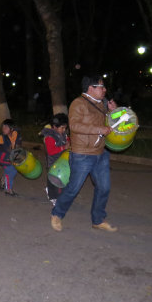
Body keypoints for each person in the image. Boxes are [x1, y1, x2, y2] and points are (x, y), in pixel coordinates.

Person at [50, 74, 118, 233]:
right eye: (101, 86)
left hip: (100, 153)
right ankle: (57, 214)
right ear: (90, 88)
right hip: (82, 155)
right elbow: (74, 126)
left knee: (104, 188)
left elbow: (105, 123)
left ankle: (98, 220)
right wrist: (98, 130)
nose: (104, 89)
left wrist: (112, 112)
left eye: (103, 86)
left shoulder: (102, 104)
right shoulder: (78, 103)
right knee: (73, 188)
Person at [39, 113, 70, 205]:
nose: (64, 130)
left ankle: (59, 196)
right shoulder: (49, 136)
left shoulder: (63, 134)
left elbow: (67, 140)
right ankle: (53, 196)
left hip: (61, 162)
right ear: (54, 127)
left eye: (65, 128)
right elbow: (51, 151)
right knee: (52, 180)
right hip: (53, 163)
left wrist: (69, 142)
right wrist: (64, 147)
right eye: (62, 128)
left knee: (62, 179)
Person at [0, 119, 21, 197]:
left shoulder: (16, 135)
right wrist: (13, 147)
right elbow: (5, 148)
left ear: (11, 129)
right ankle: (8, 190)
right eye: (3, 127)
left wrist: (15, 144)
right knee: (9, 174)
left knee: (14, 172)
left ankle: (3, 179)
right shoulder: (2, 137)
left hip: (13, 158)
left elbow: (18, 146)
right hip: (5, 158)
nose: (3, 129)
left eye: (6, 127)